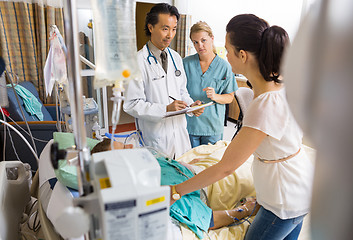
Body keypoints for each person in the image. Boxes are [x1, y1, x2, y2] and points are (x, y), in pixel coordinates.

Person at [171, 14, 314, 240]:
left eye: (227, 50)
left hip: (284, 200)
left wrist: (176, 191)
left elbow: (225, 168)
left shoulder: (265, 104)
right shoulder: (278, 86)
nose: (225, 56)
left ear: (242, 55)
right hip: (297, 187)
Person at [91, 138, 259, 238]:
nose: (130, 146)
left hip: (198, 168)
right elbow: (209, 220)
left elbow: (170, 162)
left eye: (124, 144)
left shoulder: (146, 161)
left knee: (227, 148)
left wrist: (184, 165)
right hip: (212, 185)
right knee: (250, 166)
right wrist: (245, 210)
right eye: (124, 150)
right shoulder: (158, 192)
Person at [123, 3, 203, 159]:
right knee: (160, 180)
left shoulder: (176, 58)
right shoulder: (137, 62)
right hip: (156, 138)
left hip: (179, 134)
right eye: (165, 28)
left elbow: (182, 92)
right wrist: (165, 109)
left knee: (183, 175)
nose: (170, 35)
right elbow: (132, 104)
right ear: (151, 27)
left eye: (174, 29)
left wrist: (191, 105)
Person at [183, 21, 238, 147]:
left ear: (211, 38)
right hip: (189, 124)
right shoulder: (185, 64)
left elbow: (230, 97)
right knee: (188, 162)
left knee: (209, 162)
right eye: (195, 42)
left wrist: (215, 96)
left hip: (212, 127)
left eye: (203, 40)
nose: (200, 45)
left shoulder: (224, 67)